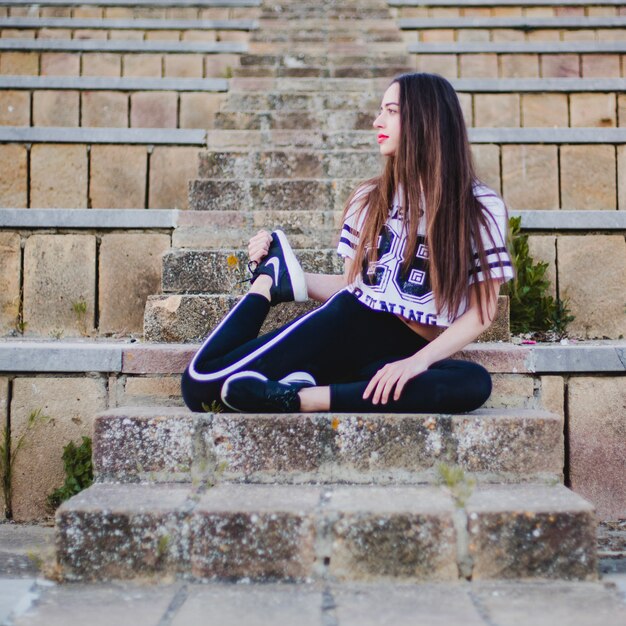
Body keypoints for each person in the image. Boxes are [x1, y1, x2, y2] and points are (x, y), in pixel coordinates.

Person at [181, 72, 513, 414]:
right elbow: (351, 285)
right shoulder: (370, 199)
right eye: (380, 110)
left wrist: (417, 362)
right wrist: (296, 280)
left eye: (391, 110)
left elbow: (482, 311)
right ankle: (269, 278)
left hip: (405, 352)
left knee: (472, 382)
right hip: (349, 324)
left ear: (426, 120)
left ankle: (303, 397)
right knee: (201, 386)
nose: (377, 121)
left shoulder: (480, 207)